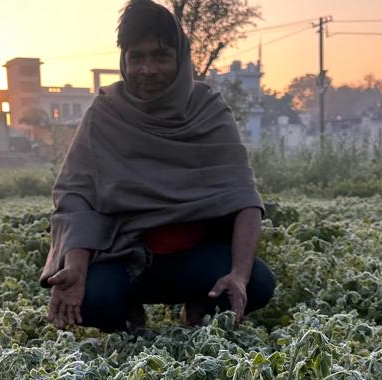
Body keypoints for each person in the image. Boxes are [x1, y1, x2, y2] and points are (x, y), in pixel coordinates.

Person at [41, 0, 276, 333]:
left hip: (196, 256)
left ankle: (200, 304)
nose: (147, 69)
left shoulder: (207, 110)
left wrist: (238, 274)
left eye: (160, 56)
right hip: (127, 258)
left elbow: (244, 199)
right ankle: (129, 312)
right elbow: (77, 198)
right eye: (136, 56)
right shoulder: (106, 113)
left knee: (257, 283)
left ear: (179, 59)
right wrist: (76, 269)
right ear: (124, 60)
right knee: (91, 298)